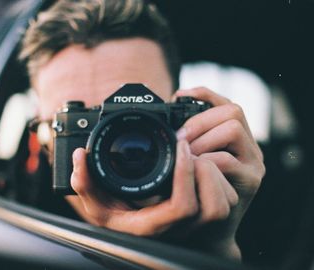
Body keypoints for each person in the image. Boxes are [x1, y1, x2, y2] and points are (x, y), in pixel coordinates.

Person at [19, 0, 265, 260]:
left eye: (138, 118)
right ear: (42, 135)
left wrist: (213, 250)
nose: (106, 150)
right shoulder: (20, 224)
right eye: (80, 122)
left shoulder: (234, 205)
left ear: (179, 119)